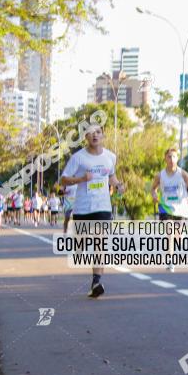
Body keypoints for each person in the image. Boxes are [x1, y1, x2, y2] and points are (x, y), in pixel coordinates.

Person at [60, 124, 124, 298]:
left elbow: (111, 176)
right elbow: (63, 180)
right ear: (86, 137)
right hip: (82, 208)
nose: (94, 135)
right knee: (83, 241)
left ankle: (96, 281)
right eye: (90, 133)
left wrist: (117, 185)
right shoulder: (78, 158)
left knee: (100, 241)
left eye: (98, 132)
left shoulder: (110, 156)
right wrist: (81, 178)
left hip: (102, 206)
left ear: (103, 135)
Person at [151, 147, 188, 272]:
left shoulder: (183, 174)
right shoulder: (160, 175)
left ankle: (180, 237)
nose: (171, 159)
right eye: (169, 156)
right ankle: (170, 261)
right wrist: (154, 196)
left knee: (178, 236)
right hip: (165, 207)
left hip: (181, 208)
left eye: (174, 156)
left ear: (177, 158)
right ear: (165, 158)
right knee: (169, 233)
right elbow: (153, 189)